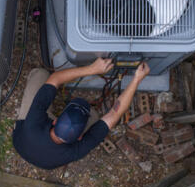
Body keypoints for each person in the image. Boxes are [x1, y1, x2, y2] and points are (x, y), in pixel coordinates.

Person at [12, 58, 151, 170]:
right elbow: (114, 114)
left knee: (42, 74)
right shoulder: (75, 151)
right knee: (94, 116)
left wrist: (93, 69)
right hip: (39, 152)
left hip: (22, 140)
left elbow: (55, 79)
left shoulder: (33, 123)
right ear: (79, 137)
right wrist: (137, 79)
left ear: (54, 121)